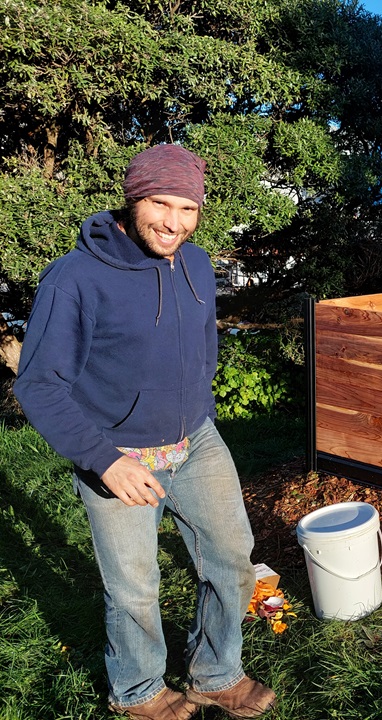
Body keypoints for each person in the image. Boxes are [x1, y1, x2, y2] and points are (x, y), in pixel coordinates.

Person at [14, 145, 275, 720]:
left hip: (196, 440)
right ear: (134, 199)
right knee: (134, 587)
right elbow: (38, 384)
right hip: (119, 452)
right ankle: (138, 690)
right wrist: (103, 460)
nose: (173, 222)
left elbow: (202, 346)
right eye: (161, 203)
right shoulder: (75, 278)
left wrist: (196, 408)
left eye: (188, 208)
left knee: (232, 559)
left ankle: (215, 673)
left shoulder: (198, 263)